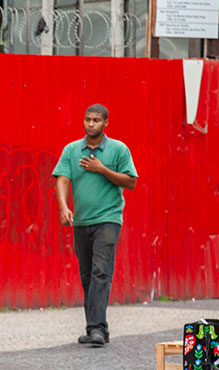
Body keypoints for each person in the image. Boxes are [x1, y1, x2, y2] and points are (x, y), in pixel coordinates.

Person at [53, 104, 138, 347]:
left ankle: (96, 328)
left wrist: (102, 169)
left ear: (105, 123)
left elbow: (130, 181)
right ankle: (96, 328)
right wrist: (63, 206)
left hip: (109, 220)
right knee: (87, 276)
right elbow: (62, 179)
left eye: (96, 120)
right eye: (88, 119)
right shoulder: (72, 150)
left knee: (101, 271)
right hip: (81, 220)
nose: (91, 124)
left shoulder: (118, 149)